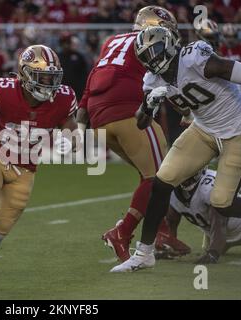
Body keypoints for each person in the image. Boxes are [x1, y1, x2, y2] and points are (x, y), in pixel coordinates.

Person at [111, 25, 241, 272]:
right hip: (204, 129)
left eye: (157, 51)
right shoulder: (152, 80)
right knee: (162, 182)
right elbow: (141, 122)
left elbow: (232, 70)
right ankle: (144, 254)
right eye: (147, 57)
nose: (154, 60)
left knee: (221, 203)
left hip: (238, 130)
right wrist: (148, 103)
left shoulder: (195, 58)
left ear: (171, 44)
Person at [0, 45, 79, 287]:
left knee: (0, 230)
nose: (49, 84)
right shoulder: (2, 89)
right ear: (25, 74)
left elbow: (71, 126)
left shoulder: (63, 97)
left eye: (53, 78)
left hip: (26, 171)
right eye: (42, 77)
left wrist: (71, 141)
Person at [76, 6, 191, 262]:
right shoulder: (152, 42)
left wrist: (83, 112)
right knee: (160, 177)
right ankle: (122, 232)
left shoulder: (113, 40)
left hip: (99, 117)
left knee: (150, 174)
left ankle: (160, 233)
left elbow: (95, 73)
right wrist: (187, 110)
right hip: (128, 112)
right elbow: (168, 79)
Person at [165, 167, 241, 264]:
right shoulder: (172, 190)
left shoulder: (209, 185)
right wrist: (169, 245)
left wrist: (213, 253)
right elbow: (171, 221)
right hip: (216, 234)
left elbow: (220, 222)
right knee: (211, 246)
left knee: (214, 248)